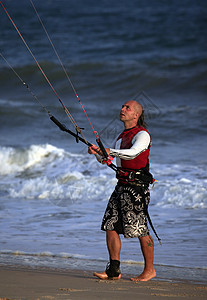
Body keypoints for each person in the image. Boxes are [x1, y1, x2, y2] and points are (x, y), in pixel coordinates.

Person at [88, 100, 156, 281]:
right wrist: (98, 154)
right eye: (122, 106)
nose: (122, 109)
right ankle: (114, 270)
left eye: (128, 108)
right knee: (110, 225)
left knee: (140, 229)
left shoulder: (142, 135)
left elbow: (133, 153)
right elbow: (110, 161)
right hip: (121, 187)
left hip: (137, 189)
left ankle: (150, 269)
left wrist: (108, 150)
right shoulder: (120, 137)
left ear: (136, 115)